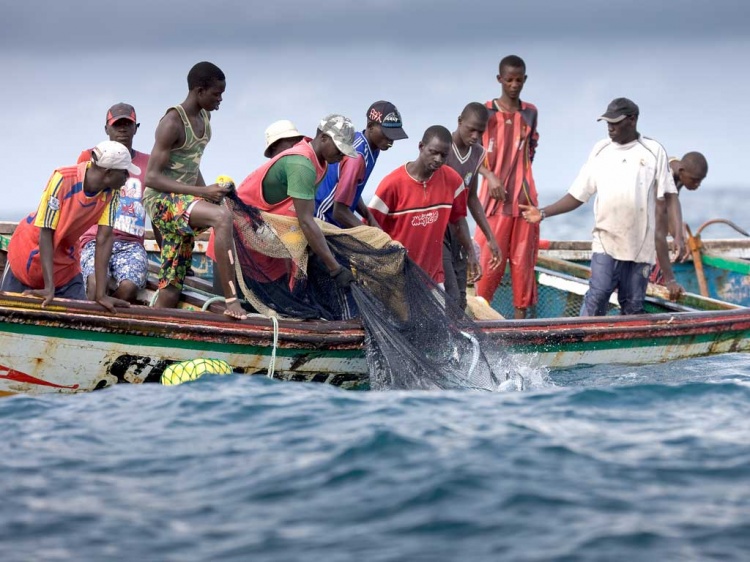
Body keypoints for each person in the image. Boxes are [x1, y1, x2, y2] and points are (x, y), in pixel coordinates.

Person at [519, 97, 686, 316]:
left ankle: (626, 347)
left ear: (633, 120)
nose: (610, 127)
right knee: (598, 295)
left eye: (616, 122)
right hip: (606, 241)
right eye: (608, 122)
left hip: (641, 246)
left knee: (633, 305)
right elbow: (578, 195)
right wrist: (542, 212)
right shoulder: (601, 150)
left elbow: (670, 196)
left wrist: (679, 236)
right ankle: (581, 342)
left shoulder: (653, 151)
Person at [142, 61, 247, 320]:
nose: (220, 100)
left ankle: (153, 334)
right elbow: (152, 178)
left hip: (184, 203)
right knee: (221, 217)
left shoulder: (205, 116)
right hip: (160, 202)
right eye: (216, 94)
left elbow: (191, 165)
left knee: (171, 287)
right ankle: (232, 299)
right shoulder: (172, 123)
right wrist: (202, 193)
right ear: (199, 91)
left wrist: (207, 191)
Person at [1, 141, 139, 312]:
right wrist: (49, 287)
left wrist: (101, 294)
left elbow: (104, 238)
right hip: (29, 251)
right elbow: (46, 231)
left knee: (79, 314)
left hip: (65, 257)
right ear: (108, 172)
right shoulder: (63, 178)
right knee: (10, 313)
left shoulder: (112, 191)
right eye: (124, 172)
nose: (127, 177)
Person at [227, 114, 359, 290]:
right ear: (324, 138)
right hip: (237, 237)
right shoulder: (302, 164)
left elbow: (300, 216)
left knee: (275, 306)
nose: (342, 156)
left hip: (269, 244)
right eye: (340, 149)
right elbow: (306, 221)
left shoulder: (321, 164)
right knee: (230, 306)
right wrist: (335, 269)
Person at [474, 54, 540, 319]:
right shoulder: (485, 111)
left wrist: (521, 176)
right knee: (489, 259)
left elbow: (531, 148)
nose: (514, 85)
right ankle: (479, 317)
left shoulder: (530, 112)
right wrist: (490, 176)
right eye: (509, 80)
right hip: (493, 201)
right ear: (499, 79)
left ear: (525, 79)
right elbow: (468, 151)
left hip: (525, 200)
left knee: (524, 262)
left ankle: (520, 324)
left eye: (519, 80)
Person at [368, 125, 467, 287]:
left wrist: (471, 252)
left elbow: (459, 220)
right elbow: (369, 229)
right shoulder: (392, 184)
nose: (438, 159)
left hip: (434, 281)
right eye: (433, 152)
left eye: (444, 155)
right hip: (398, 280)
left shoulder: (453, 181)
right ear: (421, 146)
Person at [77, 103, 150, 303]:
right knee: (94, 284)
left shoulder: (149, 163)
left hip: (131, 244)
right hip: (94, 239)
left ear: (136, 128)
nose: (123, 129)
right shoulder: (90, 157)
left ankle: (107, 319)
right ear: (106, 129)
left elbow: (157, 206)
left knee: (128, 288)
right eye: (117, 124)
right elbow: (77, 201)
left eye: (128, 124)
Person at [443, 102, 501, 310]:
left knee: (459, 298)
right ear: (460, 121)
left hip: (459, 229)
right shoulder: (442, 148)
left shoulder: (477, 153)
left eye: (481, 131)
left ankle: (455, 340)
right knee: (447, 292)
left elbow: (472, 197)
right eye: (471, 129)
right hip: (439, 230)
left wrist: (491, 237)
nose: (475, 135)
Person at [314, 101, 408, 228]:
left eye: (393, 137)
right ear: (370, 127)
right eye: (387, 135)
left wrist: (368, 217)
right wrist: (368, 233)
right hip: (323, 220)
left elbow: (353, 189)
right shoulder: (357, 157)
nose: (390, 142)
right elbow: (339, 211)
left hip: (335, 222)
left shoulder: (374, 148)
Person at [652, 151, 709, 298]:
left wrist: (679, 235)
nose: (697, 185)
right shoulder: (663, 174)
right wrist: (677, 235)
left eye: (700, 181)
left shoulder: (678, 174)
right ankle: (661, 280)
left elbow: (672, 208)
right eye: (695, 180)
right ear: (683, 172)